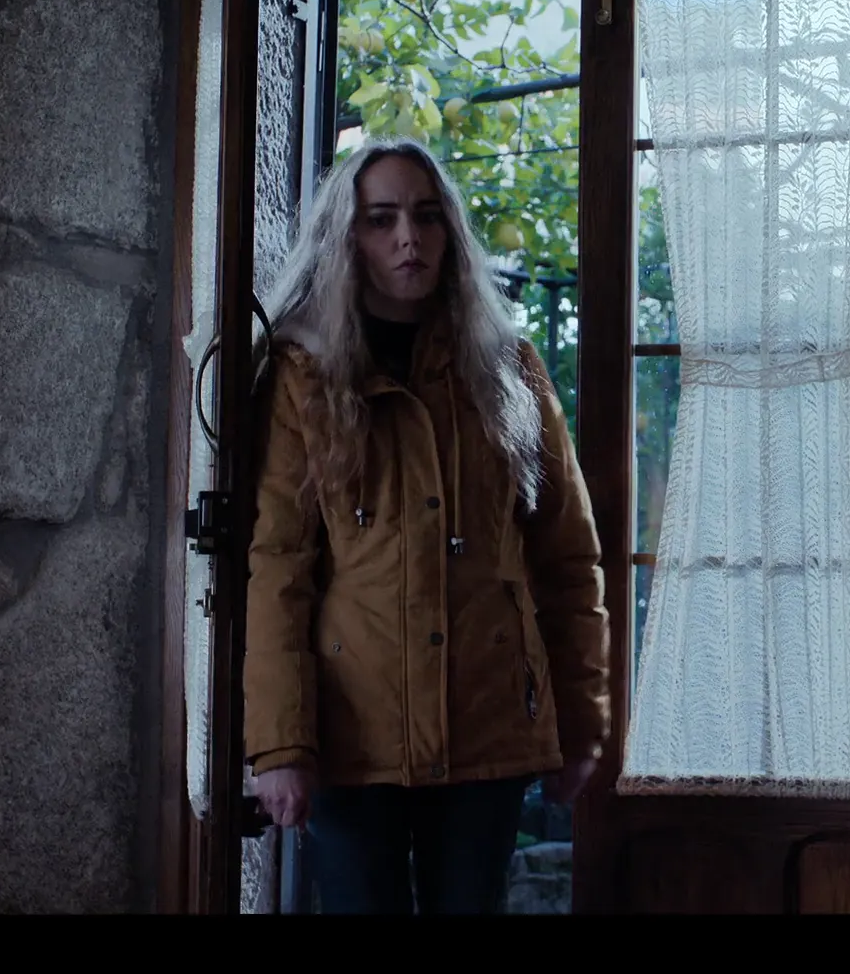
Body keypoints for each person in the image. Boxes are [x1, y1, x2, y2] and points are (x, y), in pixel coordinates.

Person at [242, 137, 610, 915]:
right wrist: (280, 744)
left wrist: (582, 725)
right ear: (347, 237)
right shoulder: (303, 375)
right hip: (354, 732)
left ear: (450, 232)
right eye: (381, 220)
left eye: (427, 216)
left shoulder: (510, 367)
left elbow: (568, 558)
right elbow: (279, 565)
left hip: (488, 724)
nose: (408, 238)